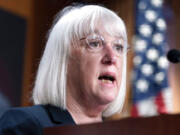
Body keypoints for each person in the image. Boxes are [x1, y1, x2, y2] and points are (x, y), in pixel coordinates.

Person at [0, 4, 129, 135]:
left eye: (118, 47)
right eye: (95, 43)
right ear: (63, 59)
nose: (112, 57)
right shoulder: (26, 125)